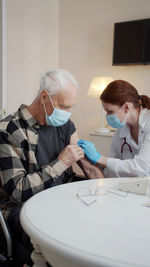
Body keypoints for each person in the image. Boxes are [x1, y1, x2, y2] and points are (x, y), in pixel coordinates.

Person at [0, 69, 103, 266]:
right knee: (62, 245)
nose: (66, 113)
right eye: (63, 106)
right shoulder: (9, 130)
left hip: (61, 196)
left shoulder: (65, 124)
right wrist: (61, 163)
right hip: (23, 206)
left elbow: (89, 170)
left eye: (70, 107)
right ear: (44, 97)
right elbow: (18, 191)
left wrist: (100, 180)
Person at [78, 79, 150, 178]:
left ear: (127, 107)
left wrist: (99, 158)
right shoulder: (122, 127)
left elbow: (141, 168)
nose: (107, 116)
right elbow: (113, 164)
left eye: (110, 111)